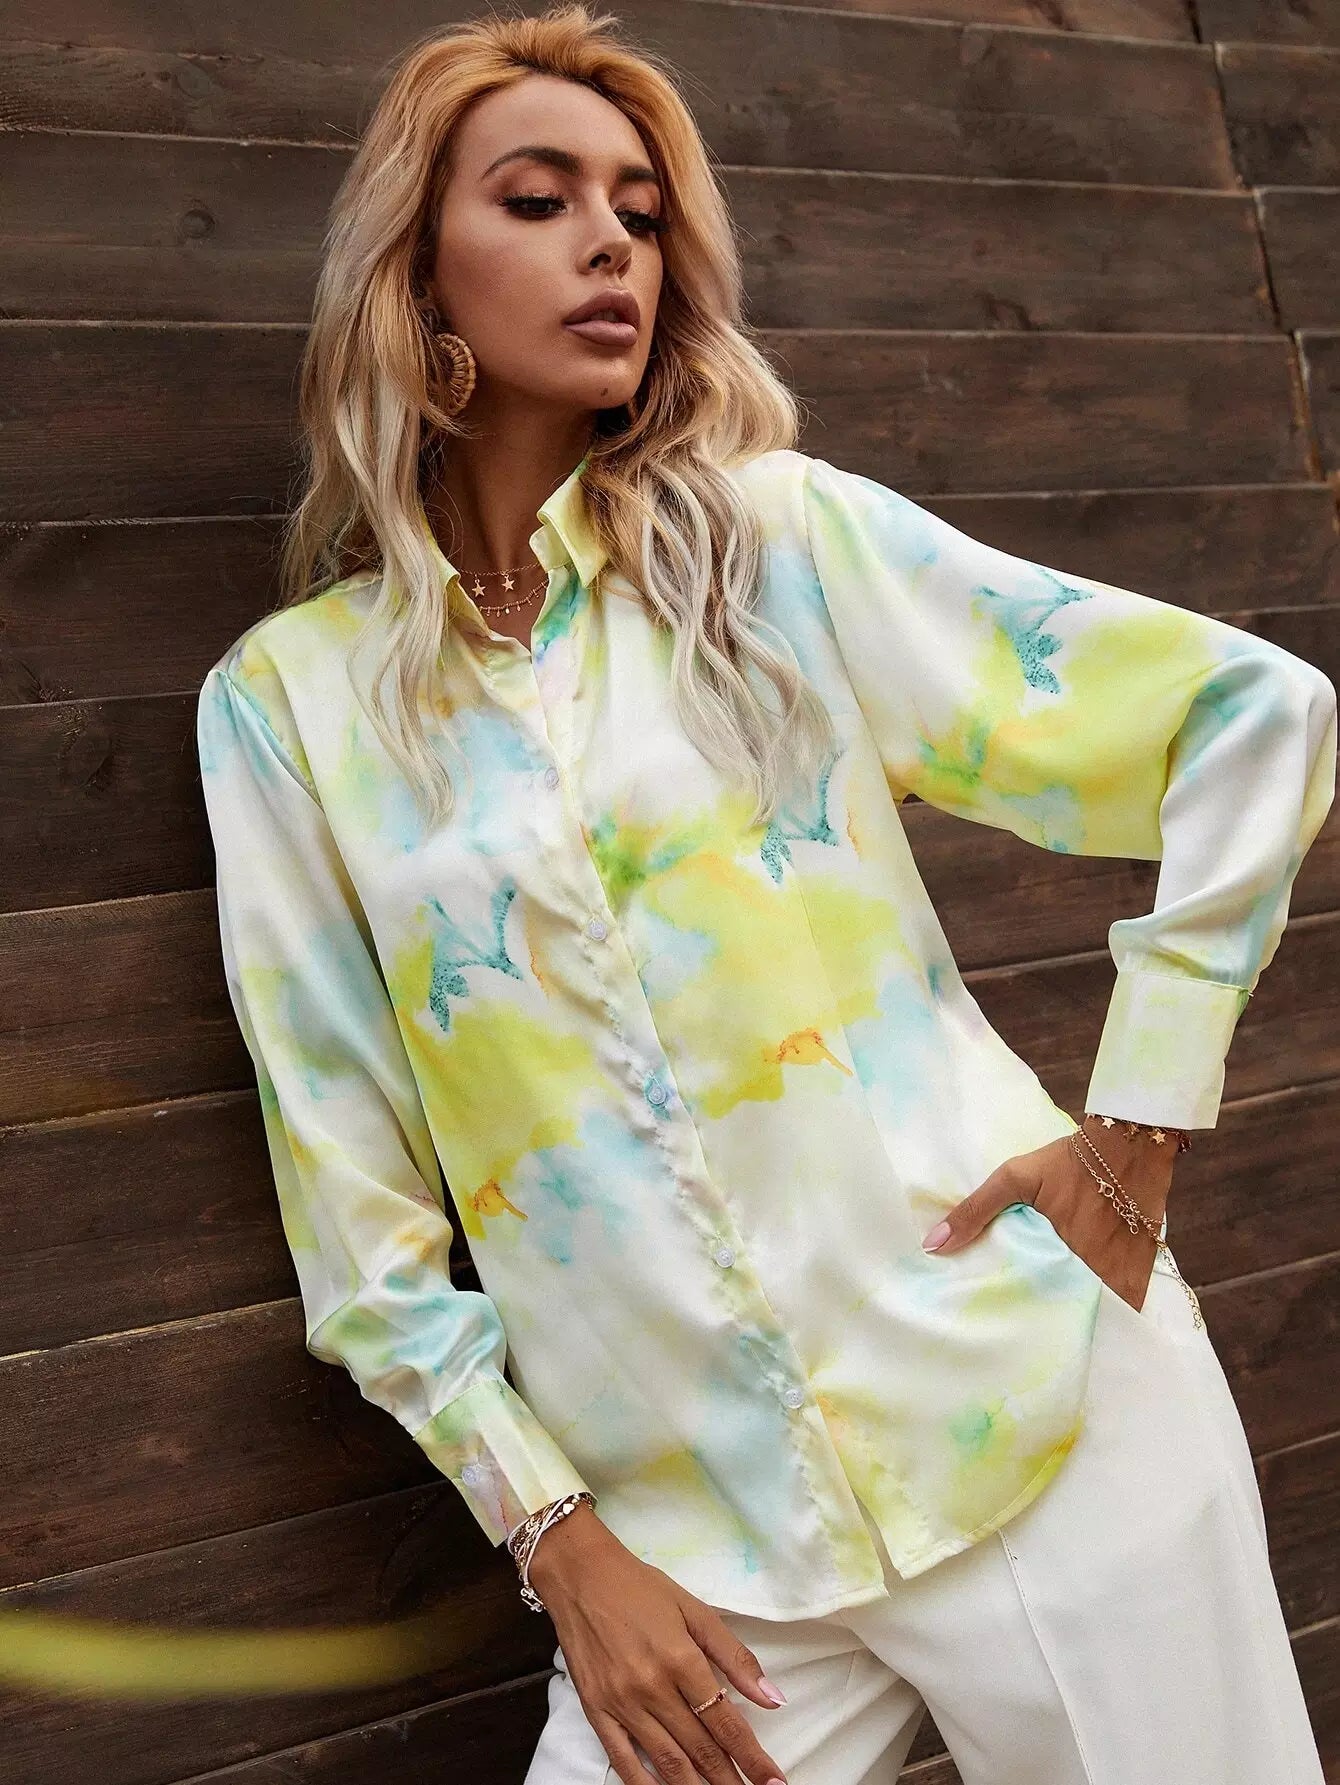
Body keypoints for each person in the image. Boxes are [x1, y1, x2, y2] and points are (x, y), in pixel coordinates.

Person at [194, 7, 1336, 1783]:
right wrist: (556, 1538)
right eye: (539, 198)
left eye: (640, 212)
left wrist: (1141, 1121)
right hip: (695, 1556)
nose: (608, 243)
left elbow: (1254, 715)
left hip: (1032, 1412)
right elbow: (355, 1208)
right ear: (414, 277)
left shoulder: (779, 548)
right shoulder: (294, 709)